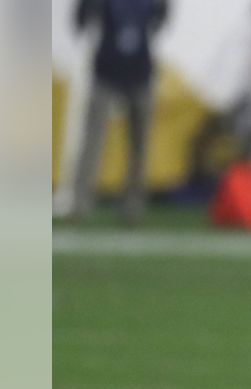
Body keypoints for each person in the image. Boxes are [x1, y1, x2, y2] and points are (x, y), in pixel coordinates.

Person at [71, 0, 170, 225]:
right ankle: (80, 202)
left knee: (140, 145)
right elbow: (81, 18)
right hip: (106, 70)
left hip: (139, 70)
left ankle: (133, 207)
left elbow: (161, 17)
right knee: (93, 141)